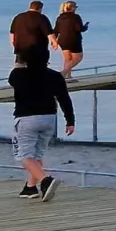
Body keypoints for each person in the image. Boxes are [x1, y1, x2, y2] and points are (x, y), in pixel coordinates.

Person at [10, 46, 74, 201]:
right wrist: (70, 120)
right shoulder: (55, 76)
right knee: (36, 154)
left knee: (23, 156)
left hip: (27, 118)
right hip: (48, 118)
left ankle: (46, 180)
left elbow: (13, 77)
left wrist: (21, 61)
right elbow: (64, 99)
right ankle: (30, 188)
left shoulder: (18, 75)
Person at [50, 1, 88, 79]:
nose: (76, 9)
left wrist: (53, 41)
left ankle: (68, 77)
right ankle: (63, 73)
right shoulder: (75, 17)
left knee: (68, 59)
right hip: (73, 39)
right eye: (75, 7)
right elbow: (79, 29)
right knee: (78, 57)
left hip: (62, 40)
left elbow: (56, 30)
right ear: (72, 8)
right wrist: (85, 27)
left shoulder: (60, 17)